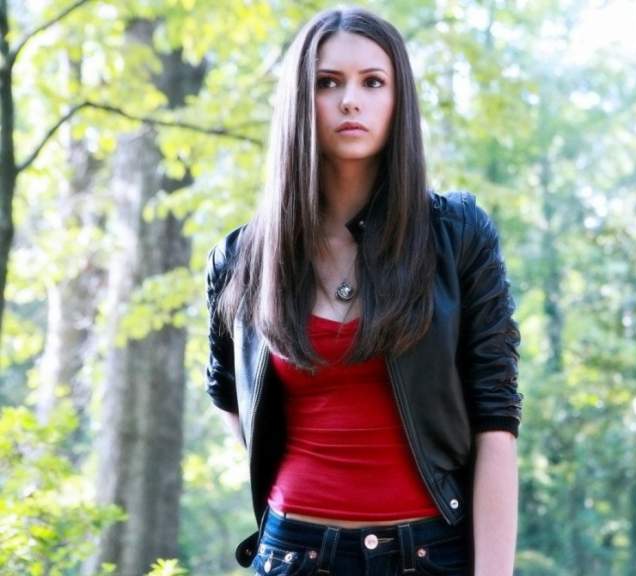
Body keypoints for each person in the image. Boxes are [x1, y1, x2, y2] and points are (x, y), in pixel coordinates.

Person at [205, 6, 523, 575]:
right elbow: (229, 395)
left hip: (429, 555)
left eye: (373, 82)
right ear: (300, 100)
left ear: (399, 100)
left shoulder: (457, 237)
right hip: (292, 554)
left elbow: (495, 422)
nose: (350, 100)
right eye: (328, 83)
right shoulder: (242, 259)